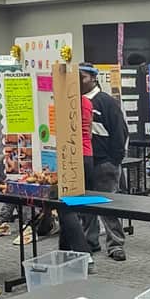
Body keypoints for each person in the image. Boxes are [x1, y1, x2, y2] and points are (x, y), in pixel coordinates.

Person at [80, 63, 129, 261]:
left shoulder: (106, 102)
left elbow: (120, 132)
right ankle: (89, 241)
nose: (78, 82)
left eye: (81, 77)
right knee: (85, 206)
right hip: (84, 162)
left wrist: (114, 160)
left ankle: (116, 244)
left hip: (103, 163)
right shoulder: (75, 101)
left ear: (93, 78)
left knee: (107, 205)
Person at [57, 92, 97, 273]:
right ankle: (64, 253)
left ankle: (84, 255)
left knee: (67, 207)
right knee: (68, 206)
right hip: (87, 156)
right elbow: (88, 131)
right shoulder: (87, 102)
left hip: (72, 158)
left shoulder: (63, 102)